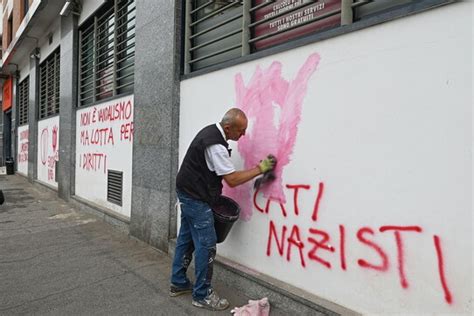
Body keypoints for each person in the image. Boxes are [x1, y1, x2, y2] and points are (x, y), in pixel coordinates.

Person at [170, 108, 276, 311]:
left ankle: (178, 282)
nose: (243, 135)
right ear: (228, 128)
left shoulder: (212, 133)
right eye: (241, 130)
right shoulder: (215, 144)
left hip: (189, 192)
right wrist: (260, 169)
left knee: (186, 239)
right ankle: (202, 295)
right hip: (195, 197)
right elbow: (233, 180)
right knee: (207, 245)